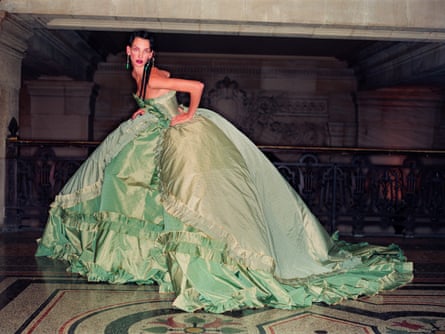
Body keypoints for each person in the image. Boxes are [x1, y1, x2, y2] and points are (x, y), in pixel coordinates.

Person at [36, 31, 413, 313]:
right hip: (155, 132)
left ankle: (204, 267)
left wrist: (186, 114)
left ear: (151, 53)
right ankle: (146, 258)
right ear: (129, 52)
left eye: (144, 50)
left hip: (181, 137)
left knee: (183, 198)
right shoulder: (140, 75)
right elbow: (156, 100)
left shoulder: (151, 76)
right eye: (134, 49)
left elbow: (195, 87)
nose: (138, 54)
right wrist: (147, 111)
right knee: (129, 183)